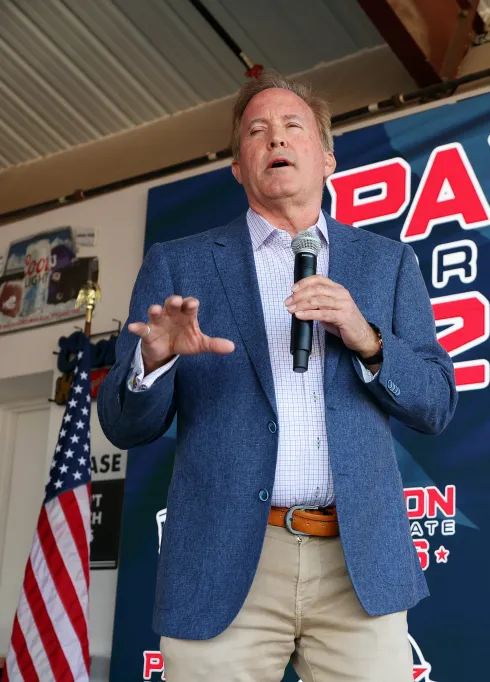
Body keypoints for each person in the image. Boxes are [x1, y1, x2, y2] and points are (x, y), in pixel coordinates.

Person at [98, 71, 458, 681]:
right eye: (256, 132)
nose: (275, 139)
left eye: (293, 126)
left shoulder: (387, 263)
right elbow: (122, 425)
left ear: (327, 158)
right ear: (239, 167)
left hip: (358, 563)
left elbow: (435, 405)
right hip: (222, 561)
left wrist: (366, 337)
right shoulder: (178, 263)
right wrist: (153, 362)